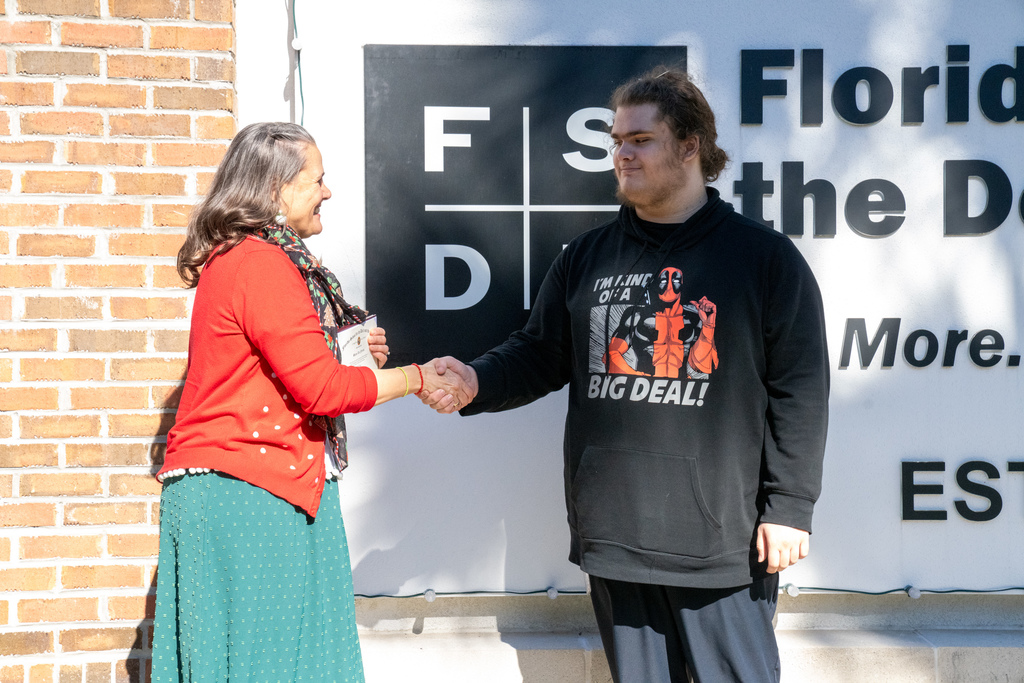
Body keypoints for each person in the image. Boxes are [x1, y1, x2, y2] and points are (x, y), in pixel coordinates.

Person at [423, 68, 829, 682]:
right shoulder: (587, 257)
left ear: (691, 146)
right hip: (617, 534)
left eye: (640, 140)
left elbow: (800, 390)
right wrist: (476, 381)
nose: (621, 154)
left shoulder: (763, 259)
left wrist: (790, 507)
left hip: (721, 543)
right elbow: (539, 354)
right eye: (617, 140)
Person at [152, 122, 461, 682]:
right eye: (317, 179)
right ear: (276, 189)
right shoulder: (262, 263)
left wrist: (349, 352)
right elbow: (320, 389)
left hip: (262, 486)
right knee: (269, 669)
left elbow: (289, 369)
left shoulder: (251, 260)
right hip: (250, 493)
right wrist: (416, 377)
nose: (327, 191)